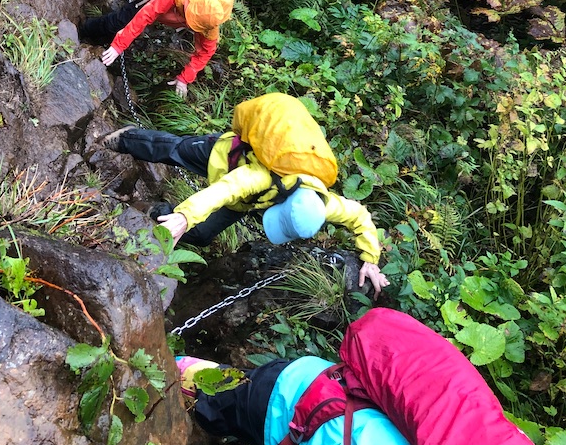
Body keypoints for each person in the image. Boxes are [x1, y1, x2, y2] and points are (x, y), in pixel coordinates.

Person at [102, 96, 388, 296]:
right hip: (223, 156)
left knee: (202, 235)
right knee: (173, 150)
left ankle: (154, 211)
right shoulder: (259, 177)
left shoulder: (322, 203)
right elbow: (223, 190)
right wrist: (185, 216)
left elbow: (360, 217)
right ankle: (124, 139)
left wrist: (370, 259)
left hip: (244, 203)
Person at [80, 0, 236, 98]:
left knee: (117, 22)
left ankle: (83, 29)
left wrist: (185, 78)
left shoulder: (210, 19)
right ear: (188, 2)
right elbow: (147, 13)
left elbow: (206, 52)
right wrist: (118, 46)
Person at [177, 355, 414, 445]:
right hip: (288, 400)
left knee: (228, 396)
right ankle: (177, 370)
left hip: (320, 380)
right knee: (213, 401)